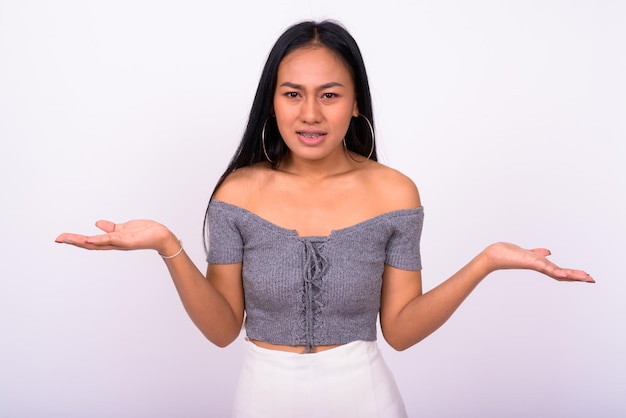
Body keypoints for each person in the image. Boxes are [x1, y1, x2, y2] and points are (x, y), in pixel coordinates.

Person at [55, 20, 594, 418]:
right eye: (293, 95)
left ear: (355, 102)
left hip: (365, 398)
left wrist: (487, 261)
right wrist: (167, 245)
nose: (309, 114)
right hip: (261, 398)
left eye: (329, 96)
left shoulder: (394, 192)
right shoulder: (238, 193)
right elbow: (223, 329)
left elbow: (400, 331)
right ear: (273, 102)